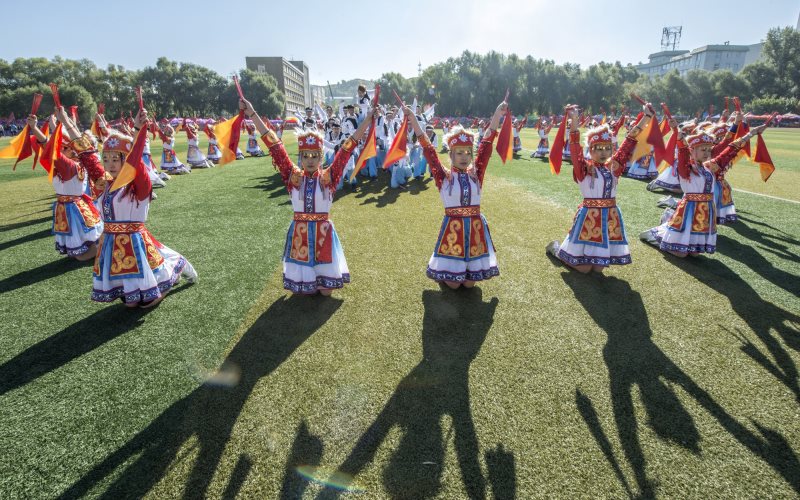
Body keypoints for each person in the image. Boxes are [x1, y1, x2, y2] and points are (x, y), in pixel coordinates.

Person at [54, 107, 197, 307]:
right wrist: (66, 121)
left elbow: (135, 160)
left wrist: (138, 129)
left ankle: (171, 273)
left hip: (136, 244)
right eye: (106, 159)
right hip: (111, 244)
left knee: (143, 303)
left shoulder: (138, 185)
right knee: (129, 303)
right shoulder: (104, 181)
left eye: (116, 159)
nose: (109, 164)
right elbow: (87, 154)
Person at [241, 97, 375, 295]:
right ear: (300, 156)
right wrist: (252, 113)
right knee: (303, 291)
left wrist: (368, 119)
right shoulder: (292, 175)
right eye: (305, 155)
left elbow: (349, 146)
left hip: (323, 233)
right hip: (300, 234)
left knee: (326, 292)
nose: (310, 160)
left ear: (322, 157)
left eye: (314, 156)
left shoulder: (330, 176)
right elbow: (274, 145)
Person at [405, 100, 506, 289]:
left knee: (469, 284)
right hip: (454, 231)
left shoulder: (477, 174)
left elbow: (486, 143)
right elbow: (428, 149)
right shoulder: (444, 177)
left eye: (468, 152)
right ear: (451, 155)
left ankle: (463, 270)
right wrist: (412, 118)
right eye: (459, 153)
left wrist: (497, 113)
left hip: (475, 229)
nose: (464, 157)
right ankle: (445, 272)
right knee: (453, 285)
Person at [545, 104, 652, 273]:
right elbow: (574, 146)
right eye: (598, 149)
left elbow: (630, 140)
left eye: (607, 148)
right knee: (585, 269)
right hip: (589, 217)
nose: (603, 152)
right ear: (591, 149)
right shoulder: (583, 168)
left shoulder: (614, 166)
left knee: (599, 268)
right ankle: (557, 250)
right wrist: (573, 120)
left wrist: (646, 117)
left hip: (610, 216)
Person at [640, 119, 767, 257]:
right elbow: (682, 150)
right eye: (703, 149)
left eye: (709, 149)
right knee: (681, 254)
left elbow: (730, 149)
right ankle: (655, 236)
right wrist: (677, 131)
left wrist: (752, 134)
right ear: (692, 150)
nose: (707, 152)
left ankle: (668, 222)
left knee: (694, 254)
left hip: (705, 212)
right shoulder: (686, 169)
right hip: (689, 211)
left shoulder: (709, 167)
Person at [27, 113, 105, 260]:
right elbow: (49, 149)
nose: (60, 150)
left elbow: (49, 148)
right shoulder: (69, 165)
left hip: (73, 208)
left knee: (80, 255)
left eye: (64, 147)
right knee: (77, 250)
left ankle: (104, 247)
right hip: (69, 206)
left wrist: (35, 128)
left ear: (71, 150)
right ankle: (101, 245)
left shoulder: (69, 165)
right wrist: (38, 128)